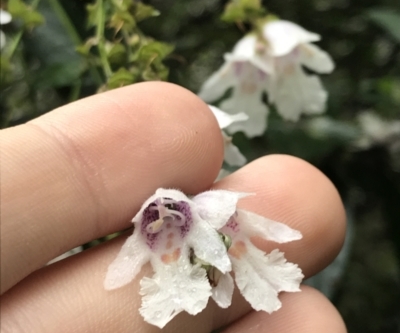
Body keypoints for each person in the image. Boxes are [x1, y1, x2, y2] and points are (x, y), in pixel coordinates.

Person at [0, 82, 347, 332]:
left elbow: (221, 238)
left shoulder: (195, 222)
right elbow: (125, 265)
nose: (163, 216)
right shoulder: (168, 222)